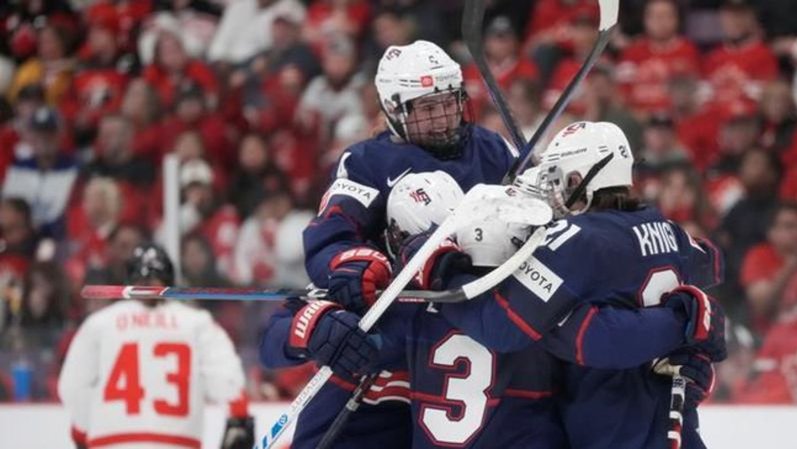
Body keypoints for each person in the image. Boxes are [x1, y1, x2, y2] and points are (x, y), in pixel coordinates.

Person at [260, 39, 520, 449]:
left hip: (473, 335)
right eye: (427, 109)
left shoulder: (494, 149)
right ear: (395, 110)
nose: (443, 120)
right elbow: (331, 238)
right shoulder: (368, 162)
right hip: (393, 332)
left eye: (449, 103)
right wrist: (354, 266)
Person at [403, 121, 725, 449]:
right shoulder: (668, 229)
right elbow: (712, 263)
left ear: (577, 180)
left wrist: (441, 271)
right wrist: (689, 324)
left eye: (556, 180)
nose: (551, 193)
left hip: (612, 424)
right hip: (673, 421)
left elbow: (501, 326)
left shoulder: (577, 241)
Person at [58, 243, 254, 449]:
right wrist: (238, 420)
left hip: (112, 442)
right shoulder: (196, 322)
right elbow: (226, 379)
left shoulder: (101, 323)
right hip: (178, 443)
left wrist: (81, 430)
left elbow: (73, 386)